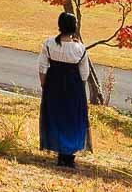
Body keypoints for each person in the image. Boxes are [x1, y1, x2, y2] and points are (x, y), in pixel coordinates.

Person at [38, 11, 92, 169]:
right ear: (74, 27)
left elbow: (42, 67)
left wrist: (45, 86)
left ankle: (61, 152)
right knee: (73, 121)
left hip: (53, 86)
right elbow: (84, 74)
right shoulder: (80, 49)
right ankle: (69, 156)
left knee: (56, 118)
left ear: (60, 26)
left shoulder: (49, 44)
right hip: (74, 89)